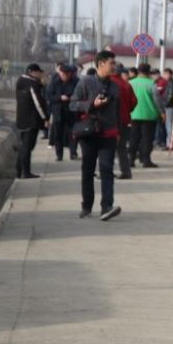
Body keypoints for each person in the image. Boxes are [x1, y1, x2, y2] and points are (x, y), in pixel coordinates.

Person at [70, 50, 122, 221]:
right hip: (89, 133)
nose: (114, 66)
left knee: (107, 170)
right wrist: (92, 104)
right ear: (101, 64)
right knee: (88, 170)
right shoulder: (86, 82)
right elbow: (73, 104)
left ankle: (107, 206)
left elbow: (119, 111)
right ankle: (86, 206)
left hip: (109, 134)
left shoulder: (115, 86)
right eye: (111, 63)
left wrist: (119, 131)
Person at [14, 63, 49, 179]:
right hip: (31, 119)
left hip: (22, 118)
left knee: (24, 146)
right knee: (27, 147)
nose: (40, 74)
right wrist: (45, 118)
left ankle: (19, 170)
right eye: (38, 72)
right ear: (31, 72)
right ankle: (25, 172)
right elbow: (38, 103)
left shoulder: (21, 81)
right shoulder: (32, 84)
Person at [128, 63, 165, 168]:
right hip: (149, 115)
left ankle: (131, 160)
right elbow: (157, 100)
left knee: (133, 138)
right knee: (147, 139)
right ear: (149, 72)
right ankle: (146, 160)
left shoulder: (130, 83)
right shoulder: (152, 83)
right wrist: (162, 112)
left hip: (133, 114)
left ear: (138, 71)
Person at [109, 63, 137, 179]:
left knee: (107, 147)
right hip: (124, 119)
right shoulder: (126, 85)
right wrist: (127, 110)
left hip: (109, 120)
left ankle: (107, 171)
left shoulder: (107, 83)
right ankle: (126, 171)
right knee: (122, 147)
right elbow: (134, 101)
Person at [48, 65, 80, 161]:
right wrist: (59, 97)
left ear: (70, 74)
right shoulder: (55, 82)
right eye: (62, 74)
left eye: (66, 74)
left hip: (71, 111)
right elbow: (49, 96)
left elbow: (79, 95)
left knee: (73, 133)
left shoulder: (76, 82)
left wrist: (70, 98)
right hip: (58, 111)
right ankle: (59, 154)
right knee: (58, 134)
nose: (64, 76)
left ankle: (73, 153)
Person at [160, 67, 173, 148]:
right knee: (168, 125)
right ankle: (169, 143)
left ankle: (170, 144)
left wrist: (165, 104)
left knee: (169, 125)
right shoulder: (168, 83)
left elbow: (170, 96)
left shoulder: (171, 83)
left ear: (170, 74)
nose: (164, 75)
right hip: (168, 106)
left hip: (169, 106)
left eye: (165, 74)